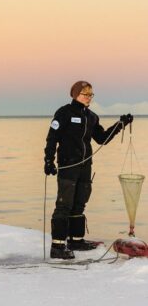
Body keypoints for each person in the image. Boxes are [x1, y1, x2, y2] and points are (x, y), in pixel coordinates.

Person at [44, 81, 133, 259]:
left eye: (91, 94)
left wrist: (120, 124)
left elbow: (101, 138)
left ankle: (76, 240)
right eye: (85, 94)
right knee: (64, 205)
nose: (88, 97)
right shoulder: (64, 113)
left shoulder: (91, 117)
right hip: (68, 165)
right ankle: (58, 246)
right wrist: (49, 160)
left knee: (80, 203)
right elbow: (52, 137)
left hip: (85, 166)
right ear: (75, 94)